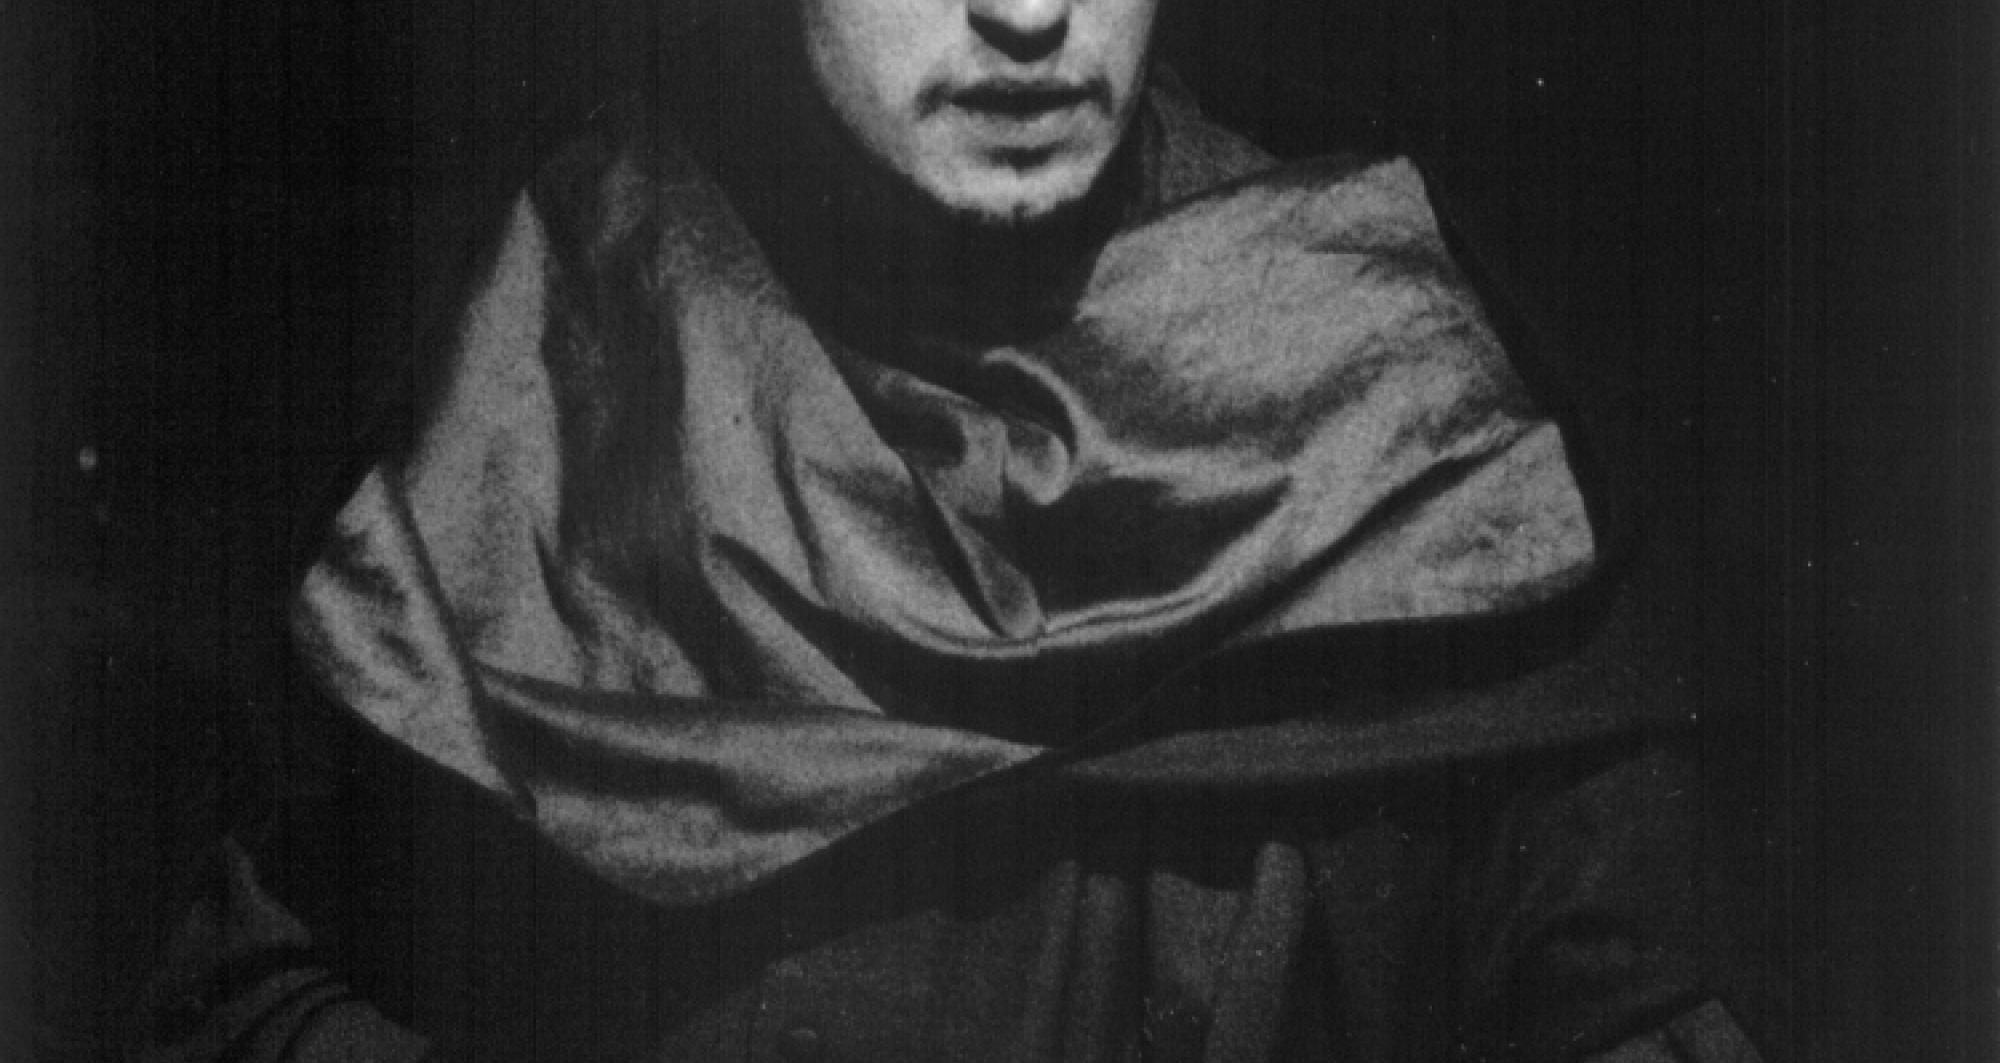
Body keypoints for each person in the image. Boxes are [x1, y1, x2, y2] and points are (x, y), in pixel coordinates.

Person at [135, 0, 1767, 1060]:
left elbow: (1632, 1009)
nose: (1031, 14)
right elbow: (257, 1006)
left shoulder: (1399, 395)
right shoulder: (558, 368)